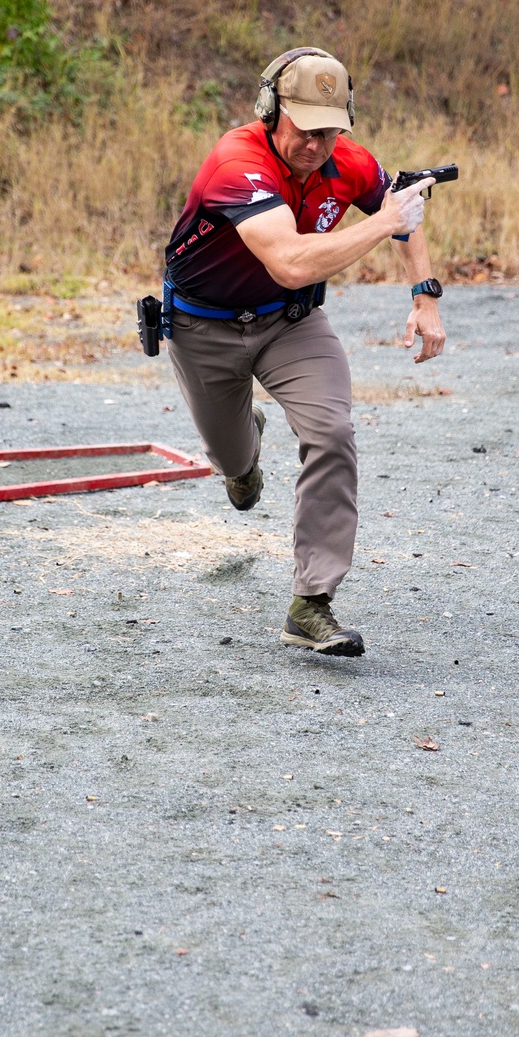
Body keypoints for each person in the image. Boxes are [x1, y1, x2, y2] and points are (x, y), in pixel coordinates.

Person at [163, 47, 447, 657]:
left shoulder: (349, 161)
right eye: (303, 129)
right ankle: (244, 456)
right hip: (203, 328)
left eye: (329, 130)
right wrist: (383, 222)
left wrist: (425, 294)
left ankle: (311, 603)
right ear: (271, 111)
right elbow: (291, 261)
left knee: (333, 432)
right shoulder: (236, 160)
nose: (316, 144)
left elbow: (402, 208)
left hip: (291, 325)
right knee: (233, 462)